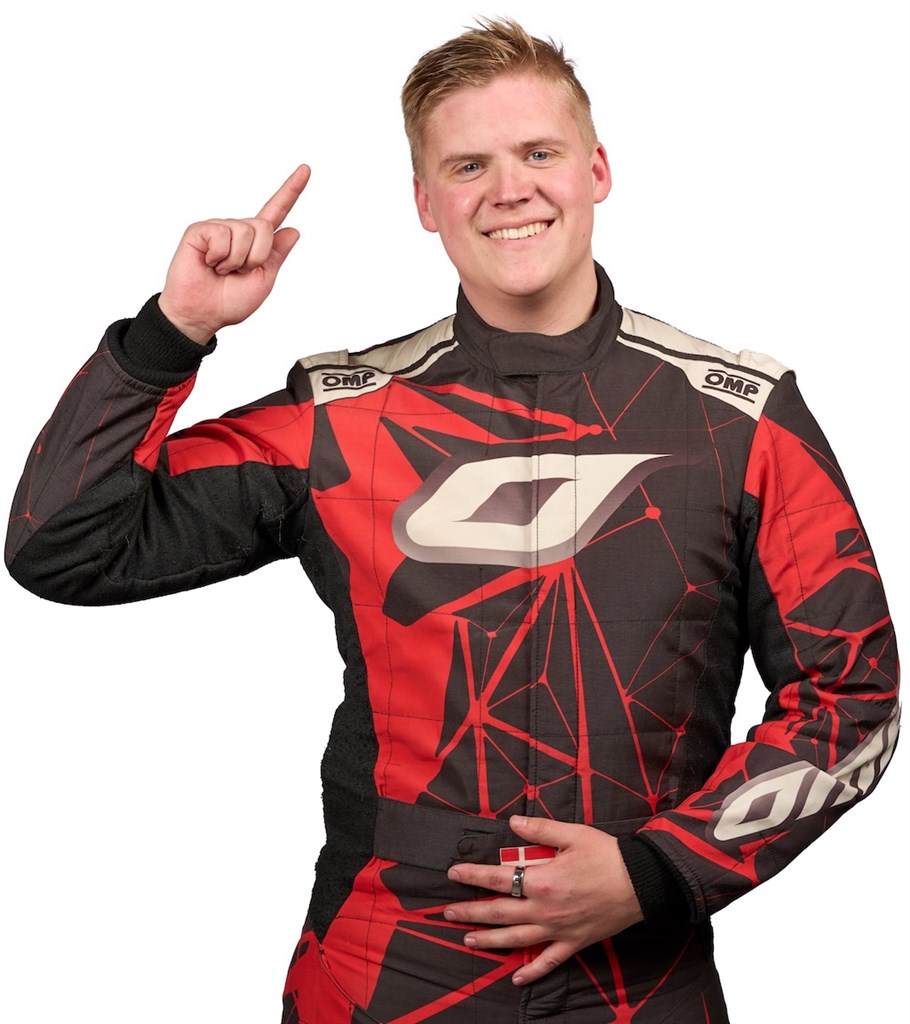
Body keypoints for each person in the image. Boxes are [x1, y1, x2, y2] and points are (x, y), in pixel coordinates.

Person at [6, 17, 899, 1024]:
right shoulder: (338, 418)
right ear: (425, 203)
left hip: (640, 983)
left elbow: (854, 697)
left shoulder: (738, 418)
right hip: (378, 974)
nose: (508, 189)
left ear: (597, 171)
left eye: (539, 153)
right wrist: (174, 332)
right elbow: (61, 545)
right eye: (468, 165)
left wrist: (657, 869)